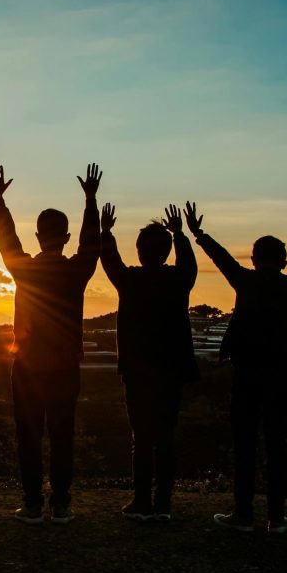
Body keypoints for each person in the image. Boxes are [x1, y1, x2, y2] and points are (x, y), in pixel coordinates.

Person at [185, 202, 287, 534]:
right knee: (277, 446)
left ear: (253, 259)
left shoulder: (246, 281)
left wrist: (198, 233)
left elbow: (221, 258)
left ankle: (243, 513)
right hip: (281, 377)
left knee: (245, 445)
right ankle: (276, 516)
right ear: (284, 262)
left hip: (247, 375)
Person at [0, 162, 101, 524]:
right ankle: (62, 504)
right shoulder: (76, 270)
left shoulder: (24, 268)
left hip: (27, 365)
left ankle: (34, 504)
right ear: (65, 237)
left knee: (29, 436)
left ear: (38, 236)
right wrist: (90, 201)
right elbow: (92, 244)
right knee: (62, 435)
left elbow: (8, 241)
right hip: (66, 366)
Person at [100, 204, 198, 521]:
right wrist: (180, 234)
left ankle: (141, 502)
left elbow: (110, 261)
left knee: (141, 437)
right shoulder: (179, 279)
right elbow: (190, 265)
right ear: (167, 251)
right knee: (165, 437)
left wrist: (106, 232)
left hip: (137, 371)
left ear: (140, 252)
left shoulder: (130, 280)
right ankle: (163, 505)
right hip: (172, 369)